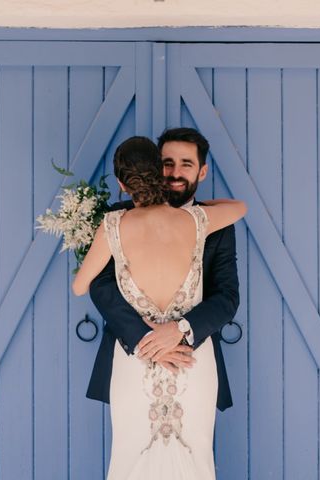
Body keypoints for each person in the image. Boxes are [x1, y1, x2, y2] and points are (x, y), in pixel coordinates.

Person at [72, 134, 246, 479]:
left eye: (187, 165)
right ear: (158, 169)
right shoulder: (204, 222)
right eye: (169, 164)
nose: (177, 172)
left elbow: (227, 298)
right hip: (139, 350)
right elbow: (102, 289)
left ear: (203, 172)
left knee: (180, 455)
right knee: (142, 453)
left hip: (189, 350)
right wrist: (143, 339)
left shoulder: (114, 225)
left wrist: (178, 331)